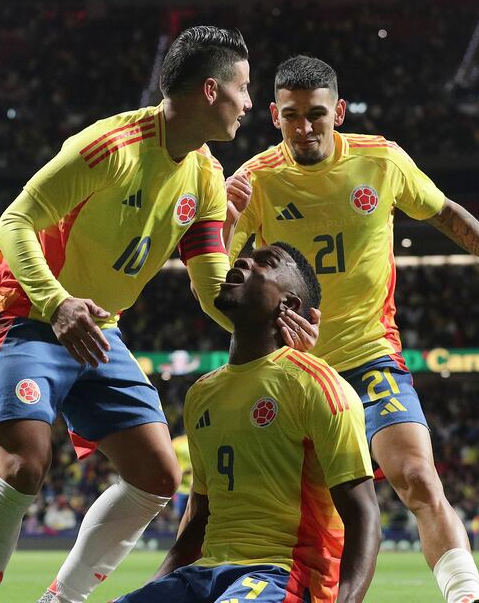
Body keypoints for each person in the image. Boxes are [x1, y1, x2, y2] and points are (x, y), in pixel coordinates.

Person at [0, 26, 319, 603]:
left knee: (157, 476)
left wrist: (275, 332)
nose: (252, 104)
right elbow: (13, 223)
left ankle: (60, 600)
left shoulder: (204, 176)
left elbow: (212, 288)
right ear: (210, 90)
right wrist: (57, 304)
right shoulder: (108, 147)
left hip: (99, 327)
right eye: (245, 89)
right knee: (25, 462)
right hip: (28, 310)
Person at [225, 56, 479, 603]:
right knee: (288, 523)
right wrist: (224, 221)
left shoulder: (381, 160)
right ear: (273, 115)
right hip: (293, 373)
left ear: (341, 111)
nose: (305, 128)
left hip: (369, 357)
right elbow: (222, 280)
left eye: (317, 115)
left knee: (419, 478)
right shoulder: (256, 180)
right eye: (292, 117)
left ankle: (468, 597)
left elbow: (445, 212)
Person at [114, 242, 379, 603]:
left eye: (265, 264)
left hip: (284, 572)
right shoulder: (202, 393)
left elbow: (363, 513)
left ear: (289, 305)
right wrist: (151, 590)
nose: (242, 262)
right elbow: (200, 519)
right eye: (243, 259)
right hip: (205, 574)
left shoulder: (317, 385)